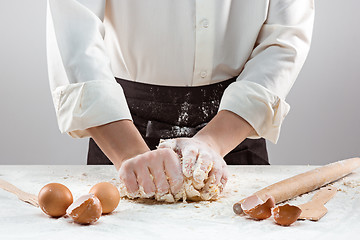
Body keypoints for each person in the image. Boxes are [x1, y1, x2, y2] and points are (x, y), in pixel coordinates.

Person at [46, 0, 314, 198]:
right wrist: (129, 152)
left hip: (234, 133)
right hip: (121, 129)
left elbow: (285, 36)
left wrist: (214, 141)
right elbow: (75, 29)